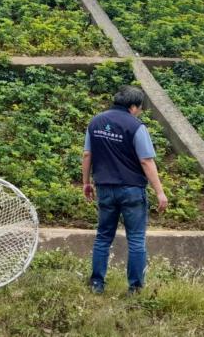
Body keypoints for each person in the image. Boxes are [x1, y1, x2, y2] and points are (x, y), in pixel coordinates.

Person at [81, 85, 168, 294]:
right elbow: (146, 161)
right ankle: (135, 288)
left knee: (103, 237)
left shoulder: (95, 122)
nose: (139, 111)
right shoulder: (136, 126)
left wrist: (86, 182)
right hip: (131, 190)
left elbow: (87, 155)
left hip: (105, 189)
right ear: (133, 106)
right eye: (139, 107)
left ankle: (97, 284)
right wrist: (159, 192)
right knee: (136, 240)